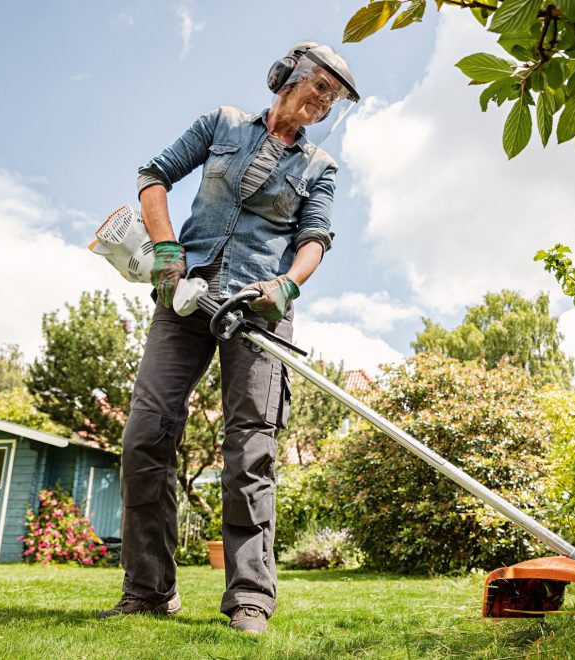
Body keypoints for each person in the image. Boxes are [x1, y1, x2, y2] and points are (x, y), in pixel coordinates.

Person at [95, 41, 359, 635]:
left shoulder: (319, 167)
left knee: (250, 451)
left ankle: (249, 599)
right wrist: (166, 253)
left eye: (333, 97)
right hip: (186, 295)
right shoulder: (222, 124)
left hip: (257, 311)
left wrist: (286, 287)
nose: (322, 102)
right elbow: (153, 176)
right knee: (145, 435)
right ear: (287, 75)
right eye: (318, 86)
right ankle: (148, 590)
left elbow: (315, 237)